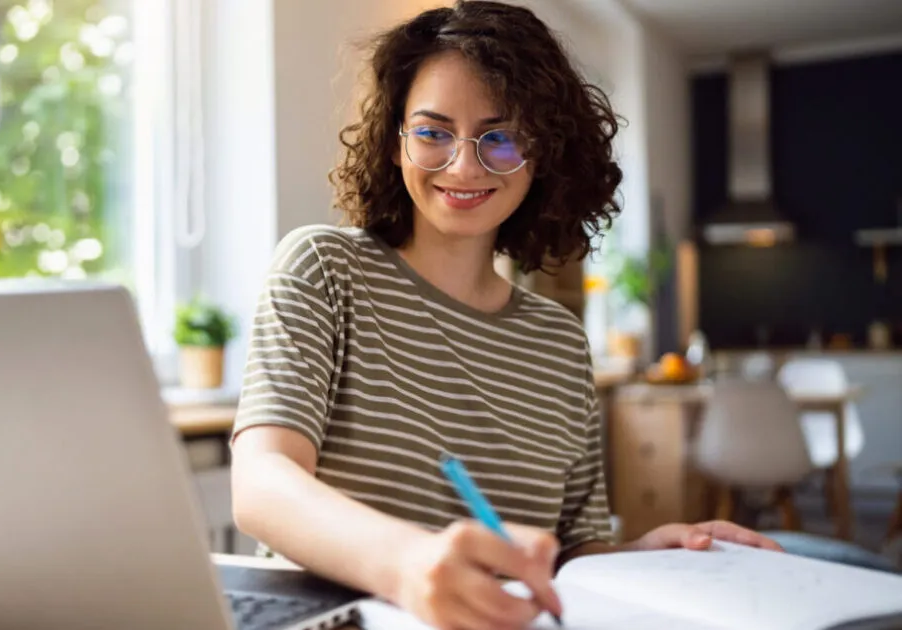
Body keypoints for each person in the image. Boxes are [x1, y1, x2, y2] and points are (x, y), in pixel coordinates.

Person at [229, 2, 781, 629]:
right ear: (393, 143)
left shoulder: (560, 343)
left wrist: (641, 557)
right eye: (433, 132)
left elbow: (573, 553)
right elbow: (262, 484)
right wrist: (406, 564)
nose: (464, 166)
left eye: (501, 137)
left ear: (542, 154)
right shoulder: (324, 269)